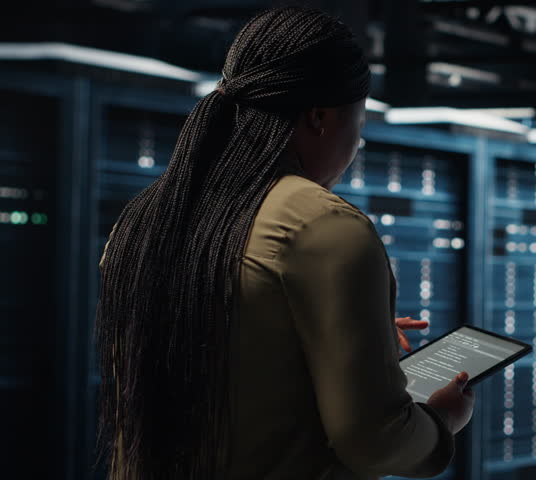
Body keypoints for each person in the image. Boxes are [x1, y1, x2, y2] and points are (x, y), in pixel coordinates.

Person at [94, 7, 474, 480]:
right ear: (319, 117)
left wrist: (352, 331)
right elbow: (375, 442)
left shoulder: (143, 217)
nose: (355, 148)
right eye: (358, 127)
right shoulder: (324, 225)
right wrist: (441, 421)